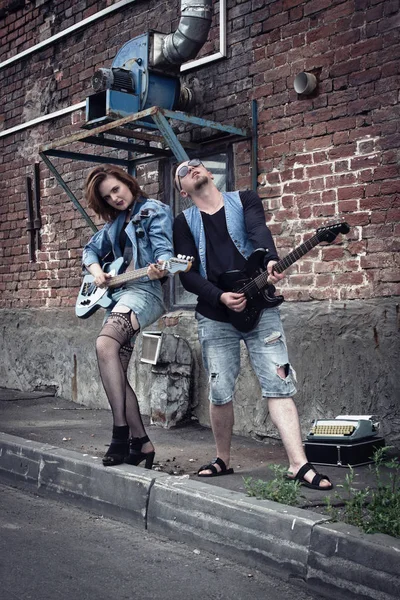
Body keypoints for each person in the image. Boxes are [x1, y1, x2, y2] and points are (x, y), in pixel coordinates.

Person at [172, 158, 333, 490]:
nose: (193, 169)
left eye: (197, 164)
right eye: (184, 172)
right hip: (216, 315)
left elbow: (259, 231)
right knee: (220, 390)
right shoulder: (183, 222)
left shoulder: (245, 199)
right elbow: (186, 275)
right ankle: (223, 460)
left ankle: (298, 464)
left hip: (260, 306)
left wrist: (271, 259)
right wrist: (219, 297)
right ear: (182, 191)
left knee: (279, 382)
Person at [82, 164, 173, 468]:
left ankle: (119, 435)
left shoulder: (153, 210)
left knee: (105, 344)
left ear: (127, 182)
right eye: (108, 197)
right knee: (116, 371)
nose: (115, 198)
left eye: (116, 189)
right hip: (117, 296)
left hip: (144, 292)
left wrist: (162, 266)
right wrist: (97, 272)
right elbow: (89, 251)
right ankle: (142, 444)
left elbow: (164, 251)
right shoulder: (115, 224)